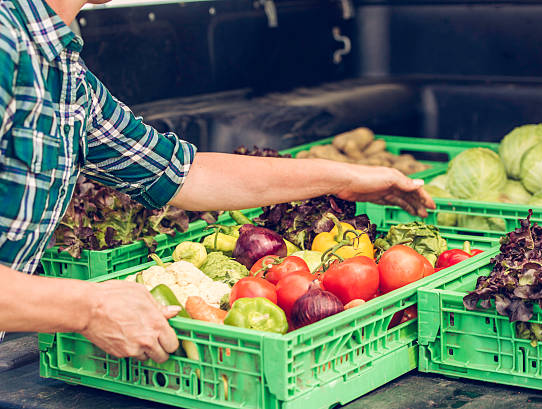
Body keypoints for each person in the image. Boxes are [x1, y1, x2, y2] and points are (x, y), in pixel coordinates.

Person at [0, 0, 434, 363]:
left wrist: (344, 177)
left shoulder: (62, 72)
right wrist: (85, 306)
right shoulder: (6, 45)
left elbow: (182, 172)